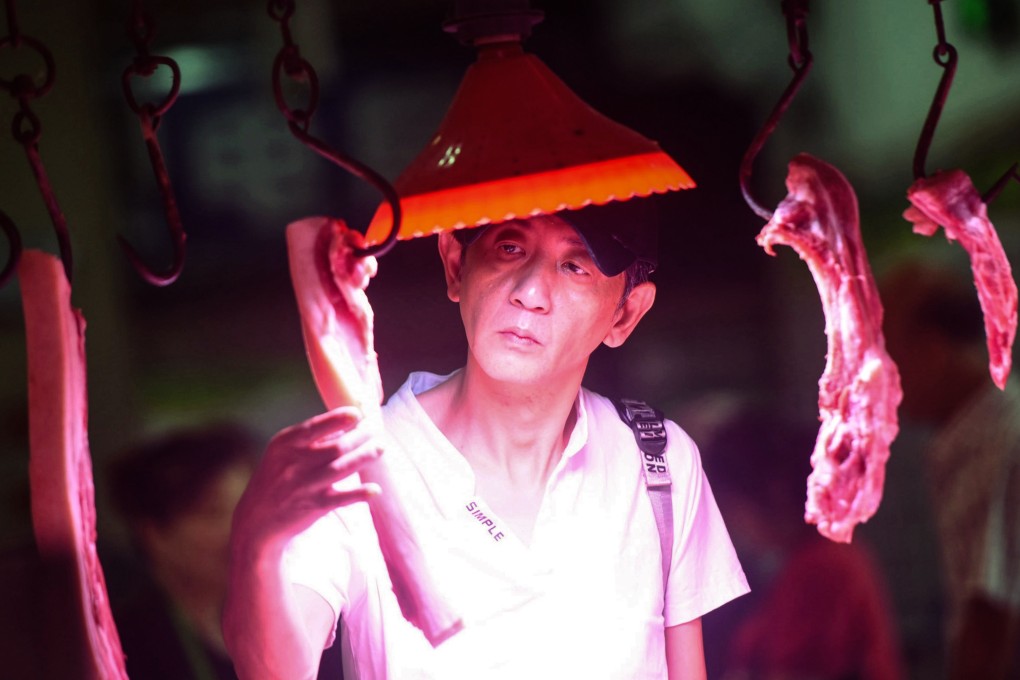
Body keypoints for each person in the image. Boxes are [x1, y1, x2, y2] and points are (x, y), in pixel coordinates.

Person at [223, 201, 750, 679]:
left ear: (625, 313)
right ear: (455, 265)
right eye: (510, 247)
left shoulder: (657, 461)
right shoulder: (359, 466)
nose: (530, 293)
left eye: (575, 266)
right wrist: (257, 547)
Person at [880, 258, 1020, 680]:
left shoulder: (1000, 441)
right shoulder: (966, 438)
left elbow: (991, 619)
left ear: (930, 348)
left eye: (890, 358)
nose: (881, 383)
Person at [700, 405, 904, 680]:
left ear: (771, 493)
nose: (730, 524)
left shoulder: (821, 566)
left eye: (730, 507)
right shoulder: (809, 560)